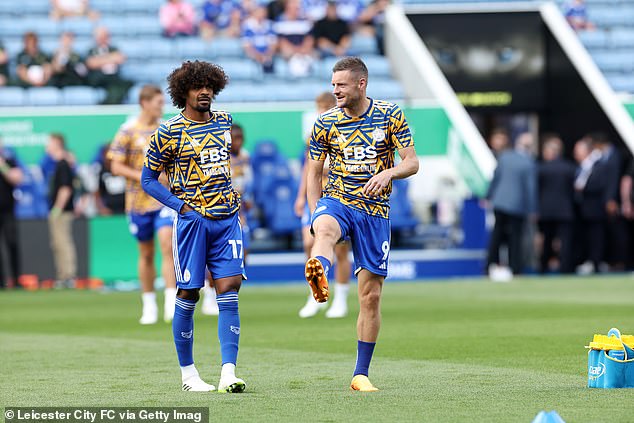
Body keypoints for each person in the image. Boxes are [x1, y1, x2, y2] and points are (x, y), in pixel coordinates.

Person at [304, 57, 418, 391]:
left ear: (361, 84)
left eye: (340, 84)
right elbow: (313, 172)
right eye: (333, 84)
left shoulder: (390, 114)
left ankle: (360, 374)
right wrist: (314, 212)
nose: (334, 90)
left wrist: (388, 172)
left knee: (370, 296)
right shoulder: (324, 123)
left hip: (375, 212)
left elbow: (412, 163)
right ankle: (318, 269)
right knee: (324, 229)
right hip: (337, 199)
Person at [141, 60, 246, 393]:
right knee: (189, 292)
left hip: (227, 219)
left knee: (228, 289)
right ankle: (189, 376)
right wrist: (181, 206)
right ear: (182, 91)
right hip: (192, 223)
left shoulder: (225, 121)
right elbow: (148, 179)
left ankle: (228, 372)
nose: (205, 92)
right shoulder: (168, 132)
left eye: (209, 87)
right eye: (197, 87)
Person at [108, 85, 177, 324]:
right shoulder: (127, 131)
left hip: (164, 200)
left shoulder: (167, 129)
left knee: (168, 245)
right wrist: (145, 177)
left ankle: (171, 303)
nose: (161, 107)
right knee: (146, 253)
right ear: (144, 103)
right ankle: (149, 305)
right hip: (137, 202)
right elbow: (115, 166)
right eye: (158, 102)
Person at [296, 91, 351, 319]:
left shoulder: (346, 130)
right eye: (319, 107)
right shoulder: (315, 134)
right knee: (309, 244)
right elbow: (309, 169)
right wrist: (300, 197)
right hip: (315, 196)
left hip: (338, 195)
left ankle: (341, 299)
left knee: (339, 250)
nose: (321, 111)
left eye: (325, 106)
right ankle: (315, 294)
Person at [485, 132, 537, 279]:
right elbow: (530, 188)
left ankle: (490, 265)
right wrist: (533, 209)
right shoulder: (528, 162)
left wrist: (488, 196)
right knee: (516, 237)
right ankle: (515, 268)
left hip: (499, 202)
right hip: (517, 205)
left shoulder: (505, 157)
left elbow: (495, 179)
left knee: (497, 235)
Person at [537, 134, 576, 273]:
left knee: (547, 240)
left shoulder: (541, 169)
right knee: (566, 241)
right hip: (565, 210)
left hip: (546, 210)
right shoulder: (570, 168)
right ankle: (565, 268)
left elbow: (537, 190)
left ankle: (543, 268)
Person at [46, 133, 77, 287]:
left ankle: (68, 276)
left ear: (57, 144)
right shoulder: (61, 163)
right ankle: (63, 275)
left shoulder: (63, 164)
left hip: (62, 212)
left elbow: (65, 189)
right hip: (60, 211)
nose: (47, 146)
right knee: (58, 243)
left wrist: (57, 209)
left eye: (49, 143)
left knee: (63, 242)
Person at [573, 137, 607, 274]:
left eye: (578, 150)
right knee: (587, 237)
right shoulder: (583, 166)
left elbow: (600, 184)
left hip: (595, 208)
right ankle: (591, 261)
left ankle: (596, 262)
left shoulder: (598, 164)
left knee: (596, 237)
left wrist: (582, 188)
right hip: (584, 208)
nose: (575, 154)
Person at [85, 26, 133, 104]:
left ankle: (106, 103)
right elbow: (91, 63)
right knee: (117, 87)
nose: (103, 38)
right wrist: (111, 58)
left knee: (125, 84)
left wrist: (100, 60)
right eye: (100, 36)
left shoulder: (113, 48)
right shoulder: (91, 50)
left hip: (113, 78)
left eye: (105, 36)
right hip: (99, 78)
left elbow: (120, 58)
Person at [0, 139, 23, 289]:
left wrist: (2, 166)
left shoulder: (9, 159)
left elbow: (17, 178)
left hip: (7, 210)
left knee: (12, 243)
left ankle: (16, 280)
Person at [274, 0, 315, 77]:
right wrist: (295, 50)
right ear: (287, 7)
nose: (296, 8)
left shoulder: (305, 20)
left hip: (304, 51)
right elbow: (280, 40)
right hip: (288, 52)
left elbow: (309, 38)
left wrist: (303, 49)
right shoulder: (279, 20)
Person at [241, 4, 277, 73]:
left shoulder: (269, 24)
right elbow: (247, 46)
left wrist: (267, 55)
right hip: (253, 56)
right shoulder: (247, 25)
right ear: (254, 13)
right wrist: (258, 56)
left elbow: (273, 44)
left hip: (267, 56)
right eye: (259, 12)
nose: (261, 14)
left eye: (263, 12)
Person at [95, 143, 125, 215]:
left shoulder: (125, 168)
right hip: (110, 211)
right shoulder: (101, 170)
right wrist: (102, 208)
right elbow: (97, 192)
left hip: (126, 209)